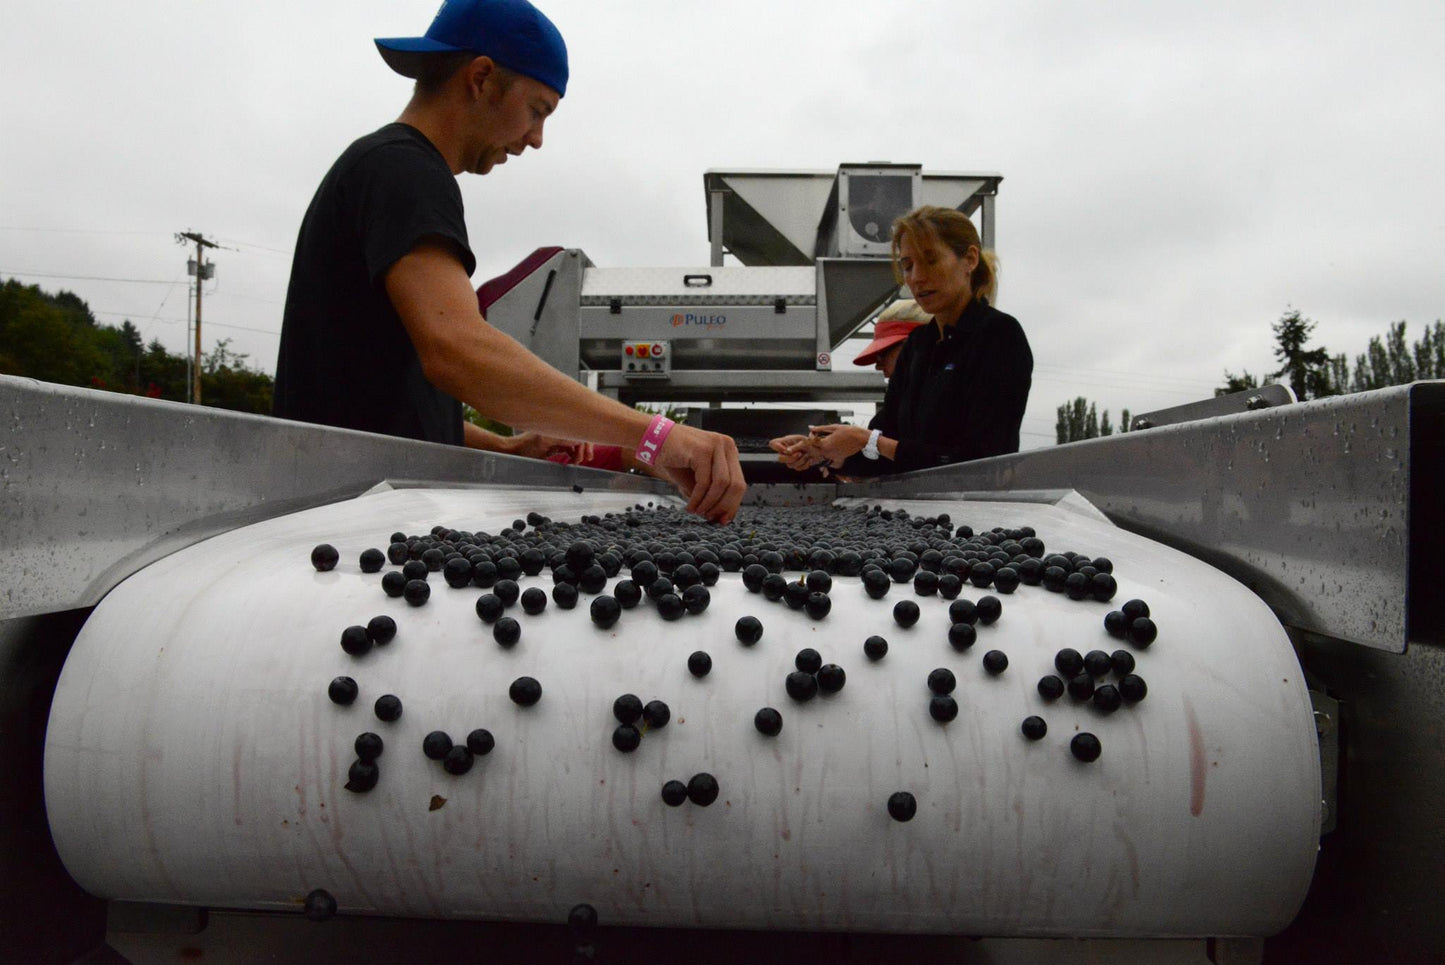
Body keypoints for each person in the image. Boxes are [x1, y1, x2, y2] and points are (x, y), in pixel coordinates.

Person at [273, 0, 744, 522]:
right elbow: (458, 351)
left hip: (348, 514)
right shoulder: (405, 170)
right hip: (346, 528)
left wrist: (503, 447)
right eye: (537, 110)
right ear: (481, 78)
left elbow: (373, 389)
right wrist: (658, 436)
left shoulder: (384, 168)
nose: (537, 138)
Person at [769, 206, 1032, 476]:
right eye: (908, 265)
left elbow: (983, 460)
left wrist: (869, 440)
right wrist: (824, 452)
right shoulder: (919, 345)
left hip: (976, 512)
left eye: (931, 260)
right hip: (917, 511)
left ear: (970, 260)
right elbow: (886, 447)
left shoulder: (999, 336)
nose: (917, 277)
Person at [769, 299, 925, 476]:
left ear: (918, 345)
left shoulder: (950, 394)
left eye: (884, 353)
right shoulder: (898, 404)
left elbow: (948, 459)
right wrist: (823, 452)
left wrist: (867, 440)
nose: (878, 365)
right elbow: (880, 462)